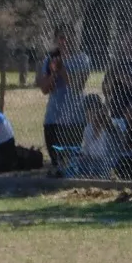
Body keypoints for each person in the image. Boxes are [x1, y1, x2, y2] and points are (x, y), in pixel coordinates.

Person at [38, 24, 91, 169]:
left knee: (71, 160)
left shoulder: (82, 58)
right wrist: (54, 72)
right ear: (56, 39)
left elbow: (77, 86)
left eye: (70, 37)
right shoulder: (50, 59)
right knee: (56, 160)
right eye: (62, 37)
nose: (65, 41)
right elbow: (44, 89)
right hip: (53, 117)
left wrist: (61, 69)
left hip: (74, 118)